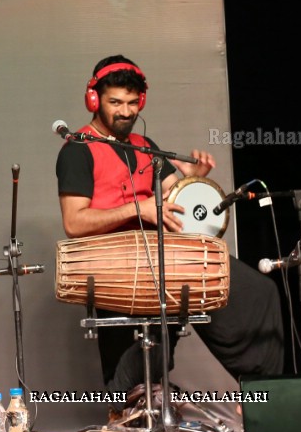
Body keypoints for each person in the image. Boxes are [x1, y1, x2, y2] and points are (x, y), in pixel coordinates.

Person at [56, 56, 283, 404]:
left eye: (132, 103)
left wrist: (198, 179)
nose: (125, 111)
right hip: (116, 262)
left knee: (258, 292)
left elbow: (175, 198)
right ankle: (131, 395)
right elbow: (74, 222)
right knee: (155, 321)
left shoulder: (146, 148)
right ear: (94, 100)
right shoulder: (77, 149)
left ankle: (260, 396)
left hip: (162, 255)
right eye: (115, 102)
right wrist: (138, 208)